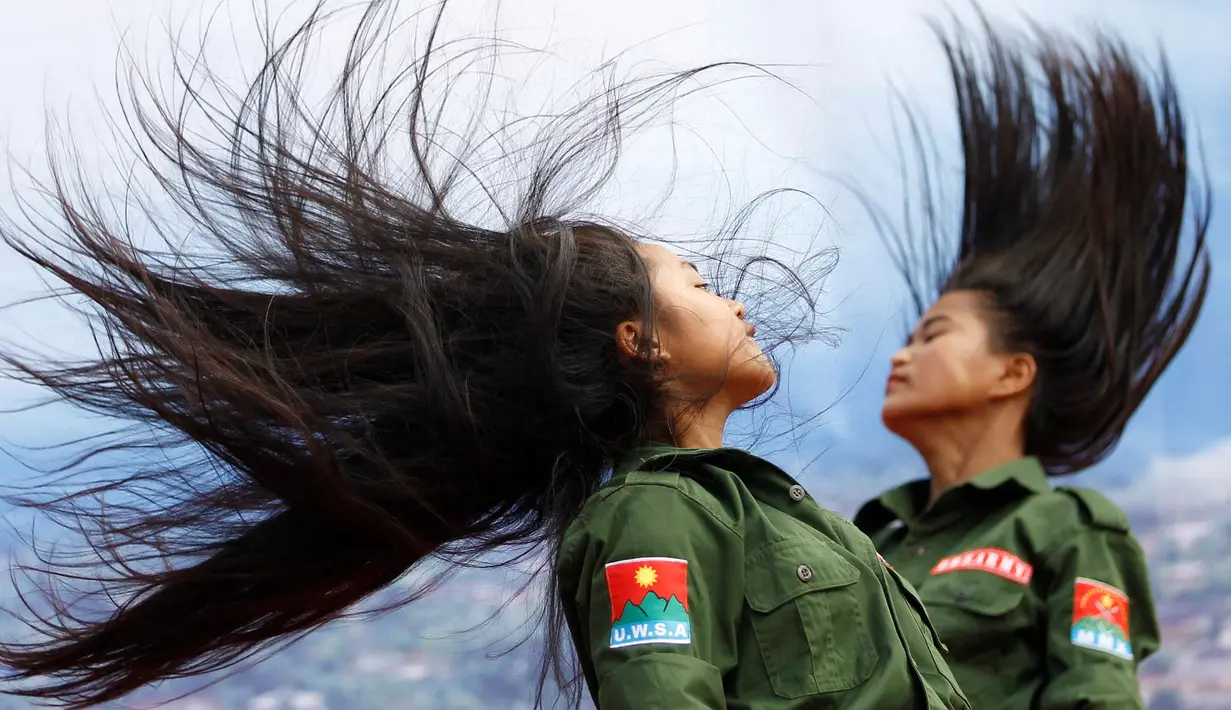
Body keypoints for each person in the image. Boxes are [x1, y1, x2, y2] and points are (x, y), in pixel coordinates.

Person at [0, 2, 969, 708]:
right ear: (640, 344)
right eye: (703, 288)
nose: (739, 302)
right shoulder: (653, 516)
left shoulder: (766, 506)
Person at [849, 13, 1211, 710]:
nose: (902, 355)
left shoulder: (1064, 529)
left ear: (1011, 374)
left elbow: (1094, 697)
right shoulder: (864, 539)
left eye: (933, 335)